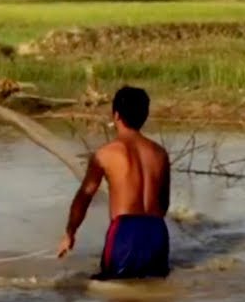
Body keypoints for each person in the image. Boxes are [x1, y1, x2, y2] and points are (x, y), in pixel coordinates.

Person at [57, 86, 171, 280]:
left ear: (116, 115)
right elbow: (164, 202)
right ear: (145, 115)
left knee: (115, 298)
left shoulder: (106, 154)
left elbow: (84, 196)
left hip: (125, 231)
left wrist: (70, 233)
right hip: (157, 230)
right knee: (155, 300)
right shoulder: (160, 154)